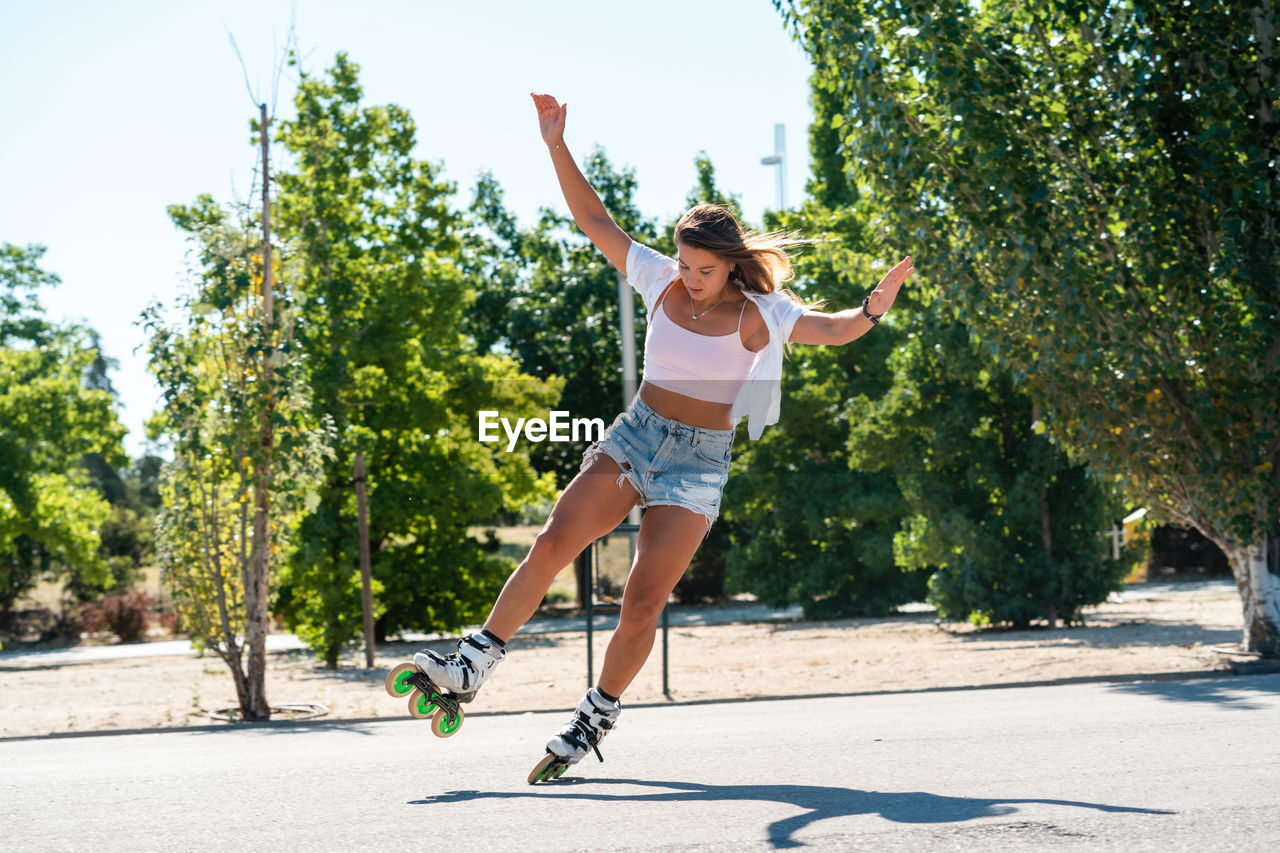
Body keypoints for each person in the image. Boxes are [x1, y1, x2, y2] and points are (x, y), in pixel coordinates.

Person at [413, 92, 914, 774]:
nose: (691, 279)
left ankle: (594, 716)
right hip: (638, 434)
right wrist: (555, 142)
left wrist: (871, 310)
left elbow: (833, 330)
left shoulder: (763, 311)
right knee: (556, 539)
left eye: (705, 270)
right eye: (684, 265)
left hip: (699, 462)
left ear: (732, 265)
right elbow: (594, 219)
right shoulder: (658, 279)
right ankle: (474, 661)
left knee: (642, 599)